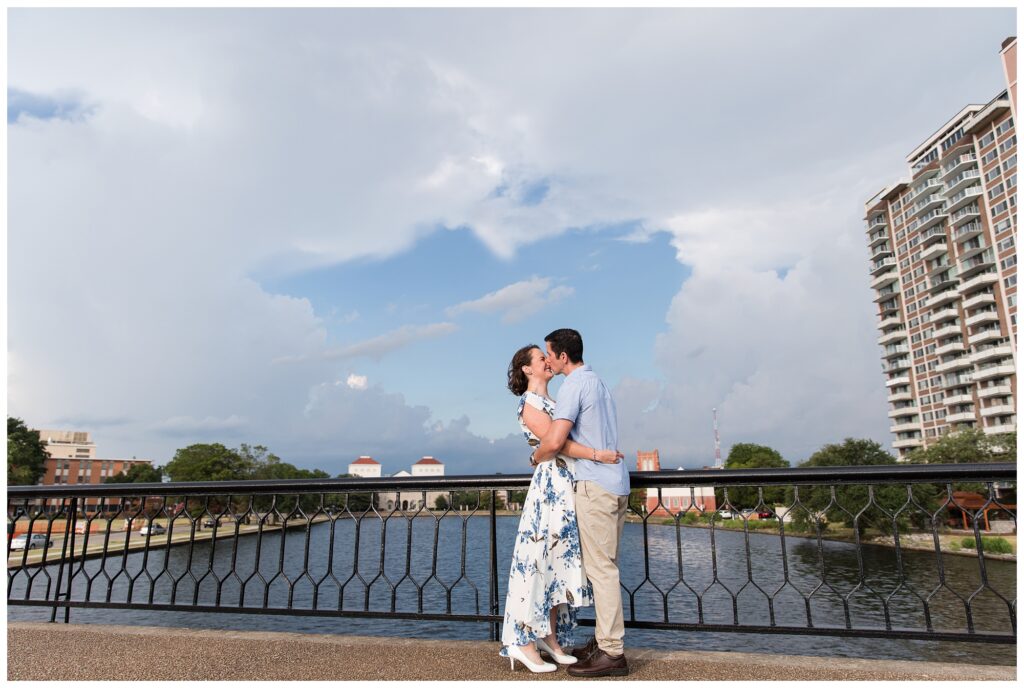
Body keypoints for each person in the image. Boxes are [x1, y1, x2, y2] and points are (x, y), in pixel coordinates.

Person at [500, 344, 623, 674]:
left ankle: (550, 639)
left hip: (568, 486)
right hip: (551, 489)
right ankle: (521, 641)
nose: (547, 361)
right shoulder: (529, 404)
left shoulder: (554, 402)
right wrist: (599, 454)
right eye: (541, 358)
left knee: (555, 566)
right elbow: (557, 445)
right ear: (528, 369)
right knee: (538, 561)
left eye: (547, 355)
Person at [533, 328, 631, 678]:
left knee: (602, 570)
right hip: (617, 484)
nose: (547, 360)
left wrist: (536, 455)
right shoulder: (599, 383)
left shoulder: (572, 385)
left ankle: (612, 652)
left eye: (549, 354)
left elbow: (556, 439)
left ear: (562, 356)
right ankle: (603, 640)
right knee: (608, 566)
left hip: (594, 486)